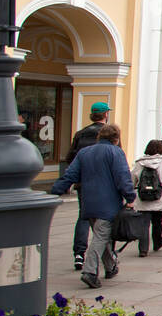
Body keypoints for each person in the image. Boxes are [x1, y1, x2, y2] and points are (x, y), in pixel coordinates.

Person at [49, 123, 135, 289]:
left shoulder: (84, 152)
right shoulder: (116, 152)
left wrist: (56, 190)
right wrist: (130, 197)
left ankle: (110, 267)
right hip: (108, 203)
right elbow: (122, 177)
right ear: (116, 138)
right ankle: (89, 272)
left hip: (88, 202)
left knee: (101, 235)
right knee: (101, 237)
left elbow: (71, 175)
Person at [64, 101, 109, 271]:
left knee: (83, 216)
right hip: (103, 184)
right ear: (105, 114)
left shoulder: (80, 134)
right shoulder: (109, 134)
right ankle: (105, 257)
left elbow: (70, 157)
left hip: (83, 183)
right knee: (104, 220)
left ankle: (79, 254)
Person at [131, 138, 162, 257]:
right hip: (159, 198)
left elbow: (132, 181)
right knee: (158, 222)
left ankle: (143, 249)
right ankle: (157, 242)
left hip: (142, 199)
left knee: (144, 224)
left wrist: (130, 197)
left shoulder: (139, 163)